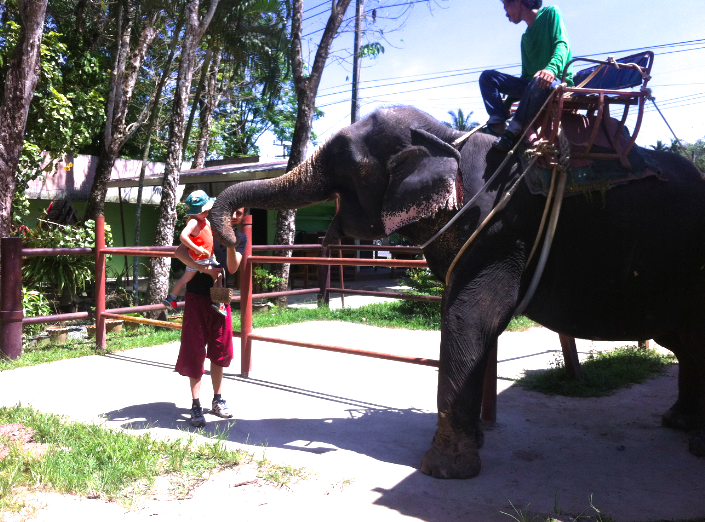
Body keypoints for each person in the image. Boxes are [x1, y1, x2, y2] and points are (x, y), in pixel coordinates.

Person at [173, 207, 248, 427]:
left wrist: (231, 242)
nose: (235, 215)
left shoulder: (240, 238)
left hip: (221, 297)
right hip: (196, 295)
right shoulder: (205, 228)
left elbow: (232, 269)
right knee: (195, 349)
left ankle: (217, 400)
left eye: (240, 212)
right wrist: (204, 270)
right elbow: (179, 252)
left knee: (220, 349)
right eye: (232, 211)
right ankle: (196, 405)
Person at [479, 0, 573, 151]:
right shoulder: (525, 37)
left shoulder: (551, 13)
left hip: (556, 82)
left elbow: (562, 43)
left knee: (538, 79)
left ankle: (513, 130)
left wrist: (551, 69)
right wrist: (507, 104)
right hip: (533, 84)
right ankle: (497, 122)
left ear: (518, 1)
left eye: (505, 5)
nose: (505, 12)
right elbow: (526, 76)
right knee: (487, 77)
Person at [162, 190, 226, 316]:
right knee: (218, 274)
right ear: (195, 211)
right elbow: (183, 237)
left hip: (200, 258)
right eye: (204, 211)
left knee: (184, 279)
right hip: (202, 258)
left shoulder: (203, 220)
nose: (206, 213)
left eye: (207, 210)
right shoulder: (193, 221)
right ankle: (218, 303)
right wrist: (196, 248)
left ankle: (171, 298)